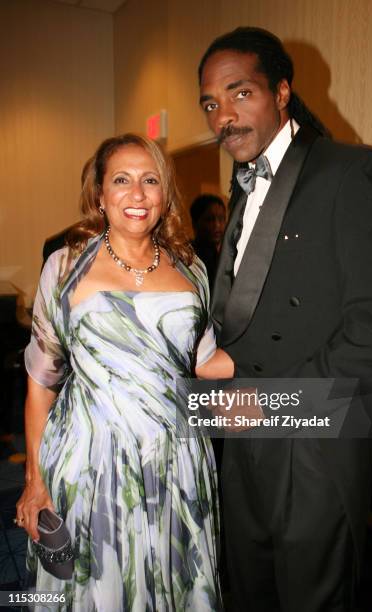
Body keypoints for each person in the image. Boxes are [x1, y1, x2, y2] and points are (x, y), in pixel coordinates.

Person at [198, 27, 372, 611]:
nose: (224, 115)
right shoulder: (243, 186)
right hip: (243, 436)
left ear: (282, 91)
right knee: (250, 590)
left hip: (314, 442)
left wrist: (276, 402)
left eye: (240, 93)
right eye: (211, 103)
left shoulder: (351, 172)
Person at [16, 133, 233, 610]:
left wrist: (295, 350)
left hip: (176, 460)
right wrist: (35, 479)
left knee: (175, 580)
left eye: (149, 180)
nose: (137, 194)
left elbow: (204, 360)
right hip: (91, 462)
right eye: (122, 180)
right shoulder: (66, 265)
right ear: (99, 194)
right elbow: (41, 382)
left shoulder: (192, 267)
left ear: (164, 194)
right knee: (99, 587)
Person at [190, 194, 226, 289]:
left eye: (221, 219)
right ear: (195, 223)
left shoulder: (228, 253)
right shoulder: (189, 256)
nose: (217, 225)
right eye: (209, 220)